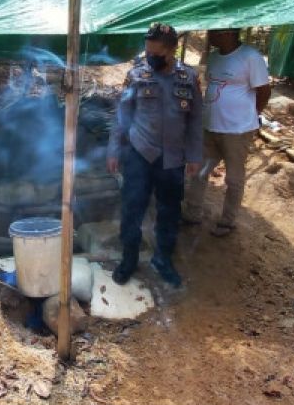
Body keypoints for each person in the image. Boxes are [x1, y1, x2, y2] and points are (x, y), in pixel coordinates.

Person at [106, 23, 203, 287]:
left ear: (172, 50)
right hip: (139, 154)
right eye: (147, 51)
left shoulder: (189, 78)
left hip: (172, 159)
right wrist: (114, 150)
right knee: (132, 210)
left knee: (169, 213)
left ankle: (163, 259)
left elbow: (195, 121)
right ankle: (129, 259)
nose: (150, 57)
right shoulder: (136, 75)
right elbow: (121, 117)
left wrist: (195, 155)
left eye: (156, 53)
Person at [181, 28, 271, 237]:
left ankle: (227, 221)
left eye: (215, 31)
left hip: (237, 130)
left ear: (229, 32)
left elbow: (264, 91)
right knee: (198, 171)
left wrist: (251, 114)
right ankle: (192, 212)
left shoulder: (250, 57)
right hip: (210, 126)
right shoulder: (213, 57)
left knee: (234, 179)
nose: (210, 34)